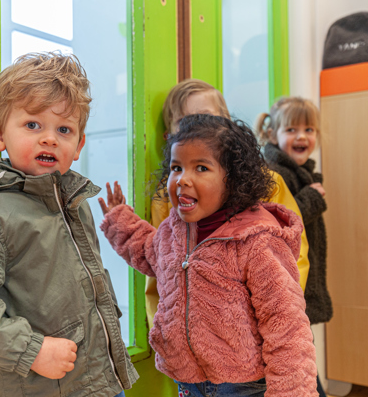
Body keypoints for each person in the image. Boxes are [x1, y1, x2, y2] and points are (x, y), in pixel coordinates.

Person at [0, 52, 137, 397]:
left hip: (101, 380)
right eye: (33, 125)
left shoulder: (75, 202)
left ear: (79, 145)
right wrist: (32, 350)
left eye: (64, 129)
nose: (49, 139)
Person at [100, 114, 318, 397]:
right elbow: (150, 253)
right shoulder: (173, 229)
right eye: (176, 168)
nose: (182, 180)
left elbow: (286, 326)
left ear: (234, 179)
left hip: (243, 385)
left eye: (201, 168)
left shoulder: (257, 240)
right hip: (188, 381)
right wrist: (121, 222)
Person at [145, 78, 311, 329]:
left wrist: (279, 319)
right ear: (170, 138)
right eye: (186, 123)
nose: (196, 131)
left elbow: (294, 255)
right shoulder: (166, 201)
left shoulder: (267, 185)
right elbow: (160, 272)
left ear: (228, 128)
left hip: (256, 334)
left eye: (206, 119)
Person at [255, 96, 333, 397]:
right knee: (300, 366)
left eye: (309, 129)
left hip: (298, 282)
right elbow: (280, 223)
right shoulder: (276, 174)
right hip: (287, 286)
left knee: (302, 364)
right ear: (273, 134)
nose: (302, 136)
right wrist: (311, 199)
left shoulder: (301, 173)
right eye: (292, 130)